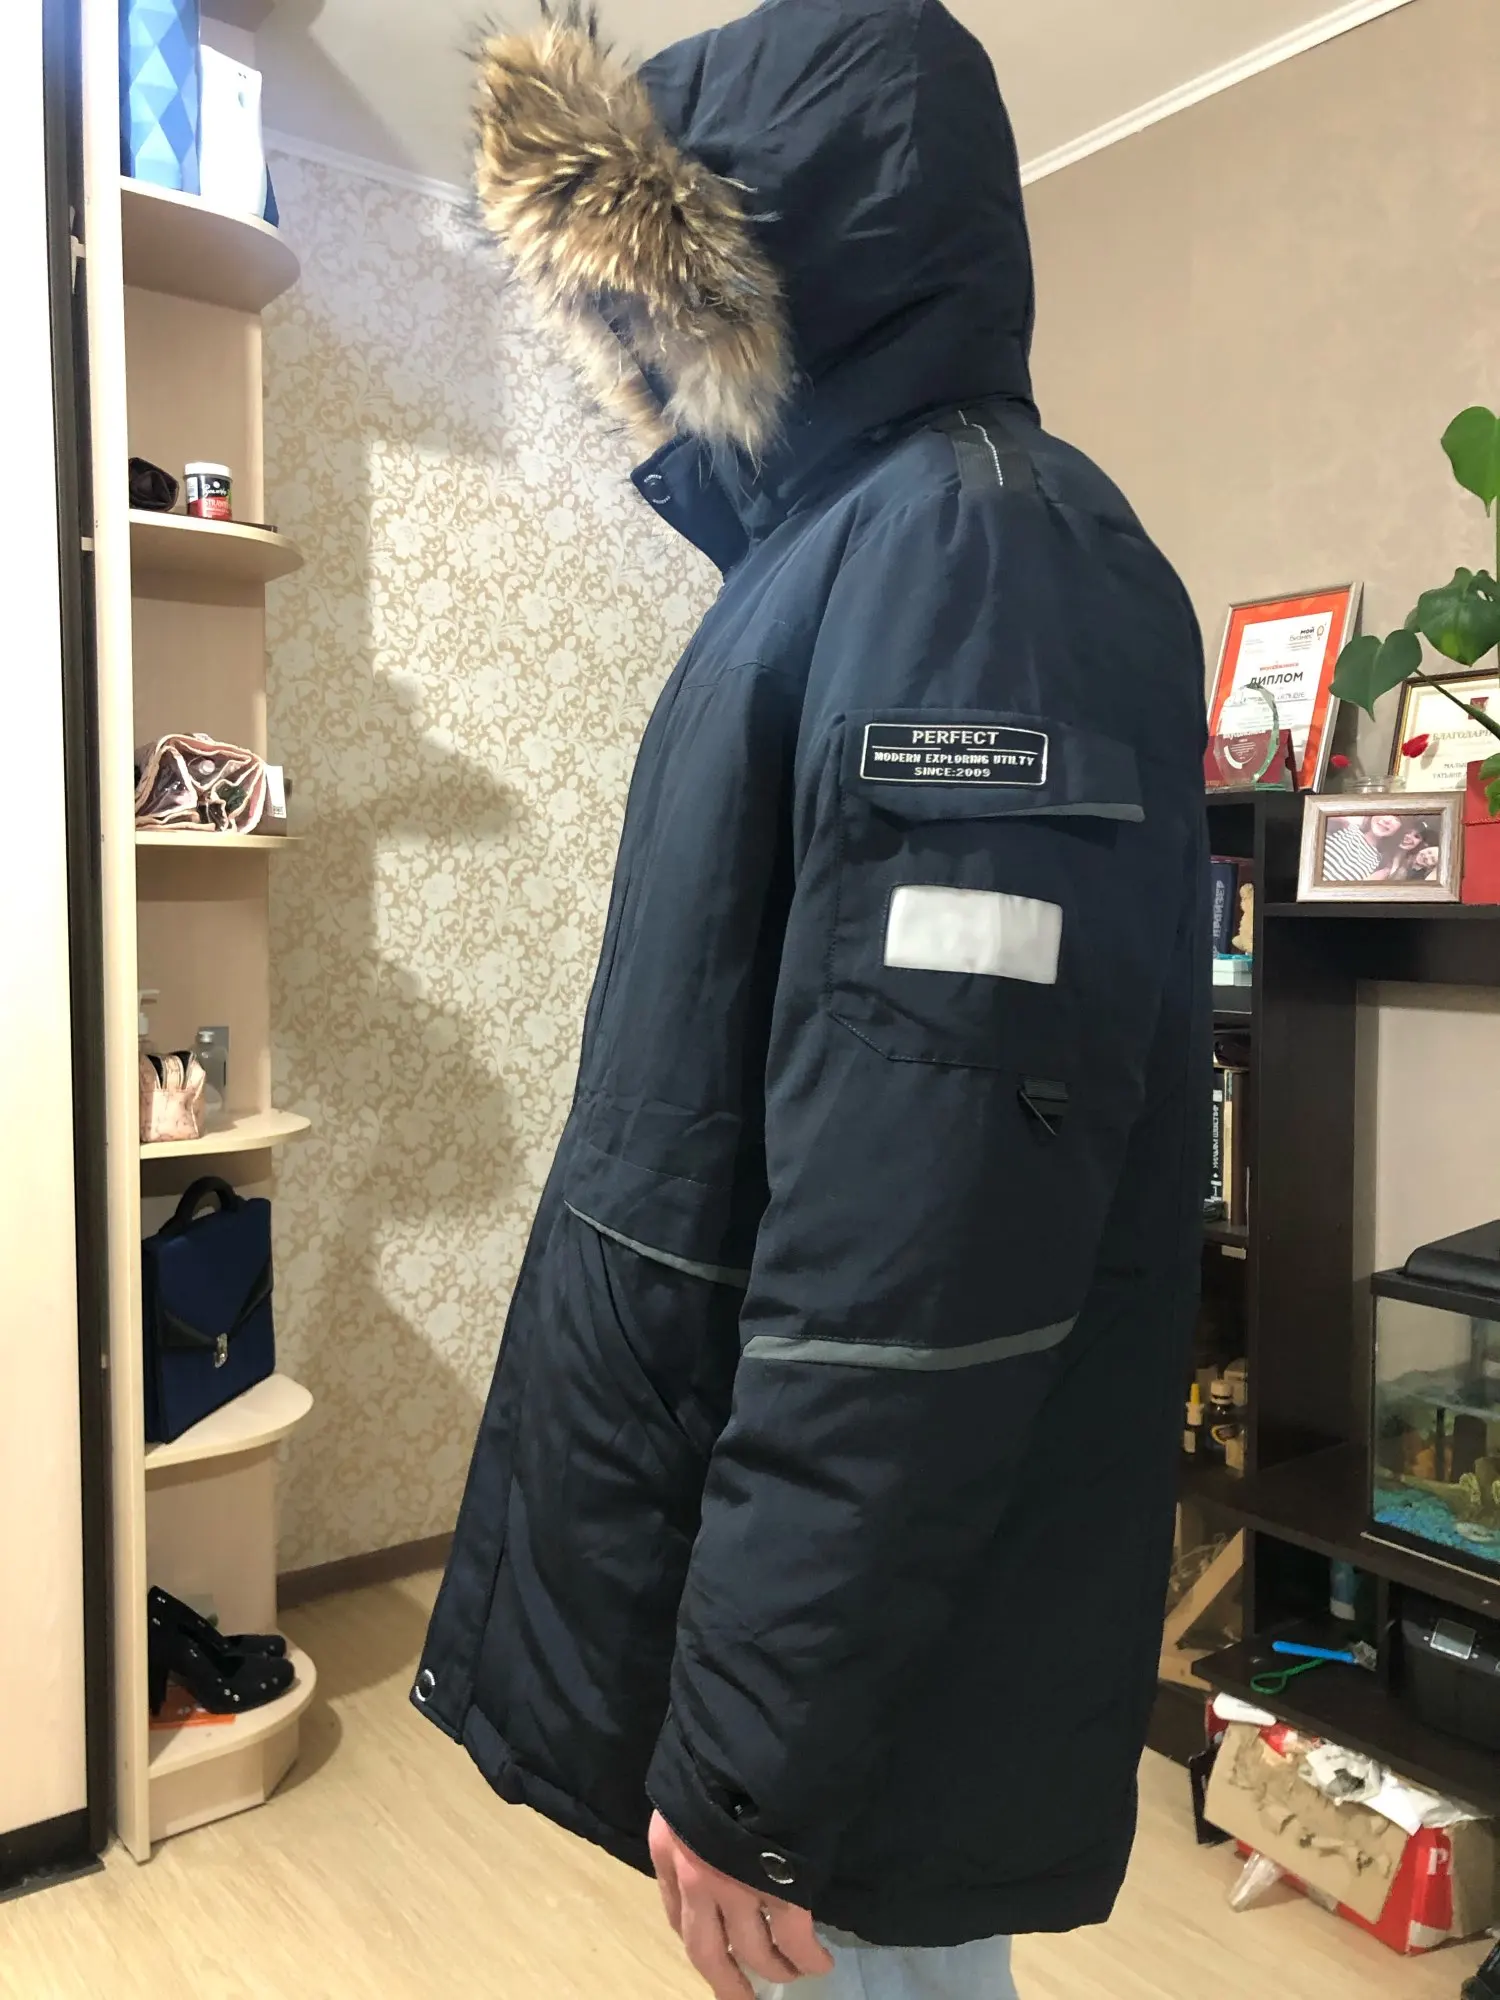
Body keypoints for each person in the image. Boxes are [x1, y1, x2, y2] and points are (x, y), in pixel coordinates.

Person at [414, 4, 1209, 1996]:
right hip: (818, 1612)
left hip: (864, 1660)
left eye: (658, 296)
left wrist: (763, 1743)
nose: (638, 356)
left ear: (795, 263)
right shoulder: (858, 561)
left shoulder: (975, 565)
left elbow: (920, 1248)